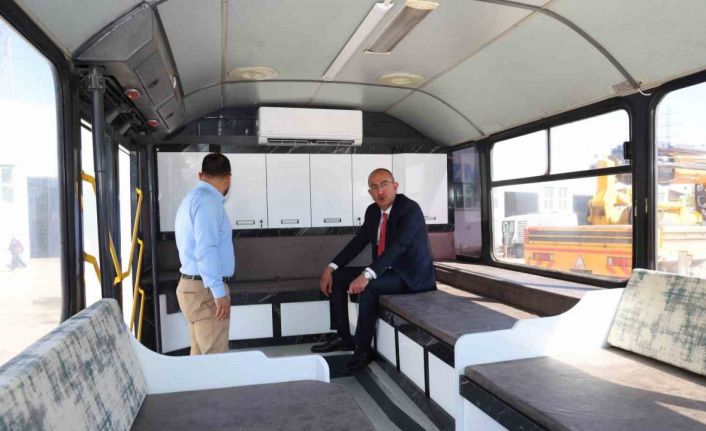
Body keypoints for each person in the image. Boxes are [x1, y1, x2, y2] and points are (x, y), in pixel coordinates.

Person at [312, 168, 436, 371]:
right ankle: (343, 337)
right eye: (374, 187)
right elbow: (357, 243)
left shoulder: (410, 209)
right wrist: (330, 267)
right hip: (384, 269)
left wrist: (367, 275)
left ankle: (362, 349)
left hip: (410, 275)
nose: (380, 191)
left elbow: (399, 246)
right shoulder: (372, 211)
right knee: (339, 277)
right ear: (370, 192)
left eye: (384, 185)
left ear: (395, 186)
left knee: (370, 287)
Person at [174, 153, 235, 355]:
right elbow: (206, 250)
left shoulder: (191, 199)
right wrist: (218, 292)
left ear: (200, 175)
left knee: (200, 357)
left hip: (192, 286)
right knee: (215, 358)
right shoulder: (209, 202)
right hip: (205, 289)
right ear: (228, 179)